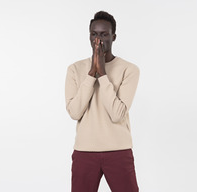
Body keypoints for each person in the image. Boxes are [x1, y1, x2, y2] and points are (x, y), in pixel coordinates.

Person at [65, 11, 140, 192]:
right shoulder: (75, 69)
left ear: (113, 37)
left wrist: (103, 74)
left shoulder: (129, 70)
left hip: (119, 150)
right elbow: (74, 112)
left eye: (104, 34)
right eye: (94, 34)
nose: (98, 40)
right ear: (89, 36)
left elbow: (117, 114)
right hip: (85, 151)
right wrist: (92, 74)